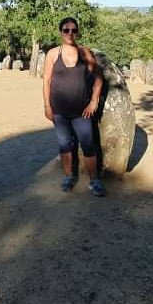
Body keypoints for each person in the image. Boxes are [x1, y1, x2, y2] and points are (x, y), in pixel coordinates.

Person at [42, 16, 106, 197]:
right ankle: (69, 176)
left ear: (77, 32)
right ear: (60, 32)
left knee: (88, 144)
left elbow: (99, 78)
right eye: (66, 30)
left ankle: (94, 180)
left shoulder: (85, 52)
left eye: (73, 30)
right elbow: (46, 81)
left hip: (81, 111)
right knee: (64, 144)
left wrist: (94, 101)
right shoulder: (53, 54)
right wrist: (47, 106)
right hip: (59, 110)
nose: (70, 33)